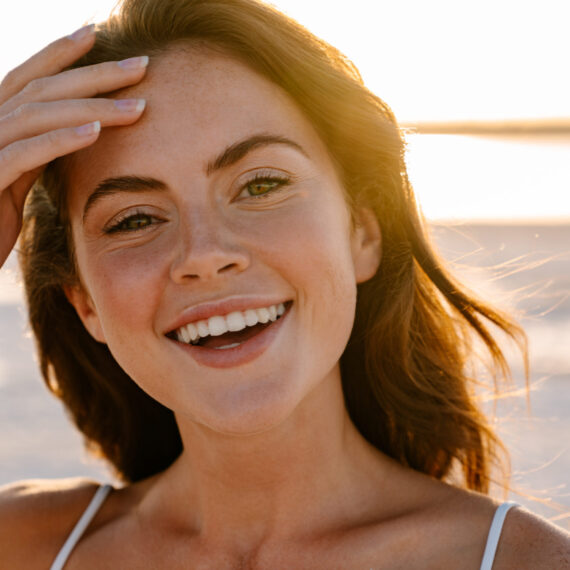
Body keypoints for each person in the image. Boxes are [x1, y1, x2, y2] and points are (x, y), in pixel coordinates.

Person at [0, 0, 568, 567]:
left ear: (362, 233)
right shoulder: (24, 546)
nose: (205, 256)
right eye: (135, 219)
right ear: (84, 304)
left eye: (261, 185)